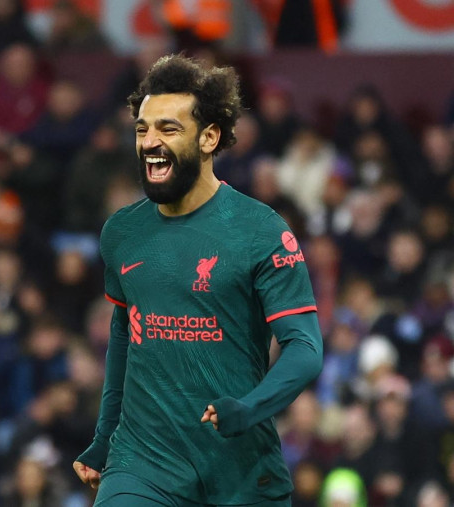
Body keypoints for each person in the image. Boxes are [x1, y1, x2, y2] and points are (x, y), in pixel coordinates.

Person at [72, 55, 323, 506]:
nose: (150, 142)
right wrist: (105, 436)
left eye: (168, 129)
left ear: (209, 137)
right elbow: (124, 335)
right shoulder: (122, 232)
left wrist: (249, 408)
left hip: (240, 468)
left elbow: (305, 348)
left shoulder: (260, 230)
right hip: (143, 463)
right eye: (142, 129)